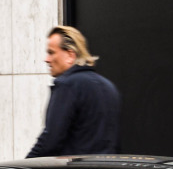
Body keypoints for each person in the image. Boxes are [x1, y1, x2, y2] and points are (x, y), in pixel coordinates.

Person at [26, 25, 120, 157]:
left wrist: (23, 168)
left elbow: (51, 140)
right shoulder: (109, 86)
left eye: (51, 52)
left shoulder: (67, 85)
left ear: (70, 55)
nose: (46, 59)